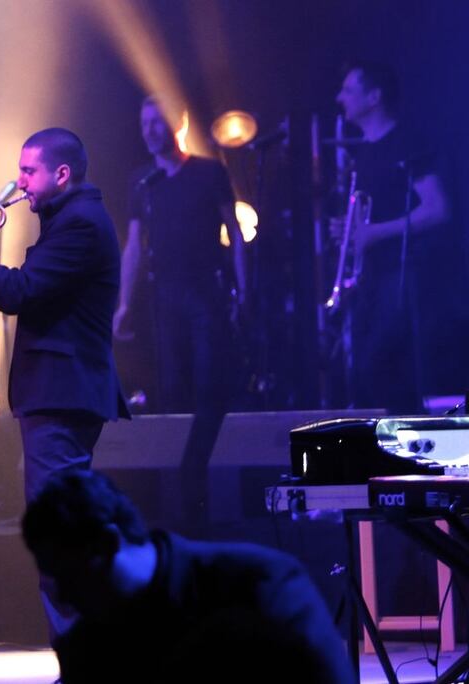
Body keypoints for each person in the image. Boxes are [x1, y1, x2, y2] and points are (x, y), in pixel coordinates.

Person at [0, 128, 129, 638]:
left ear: (62, 174)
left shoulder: (79, 224)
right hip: (57, 393)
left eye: (29, 171)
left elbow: (19, 292)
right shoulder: (69, 220)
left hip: (63, 394)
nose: (19, 183)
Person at [22, 469, 355, 684]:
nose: (64, 598)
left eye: (70, 575)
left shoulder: (261, 586)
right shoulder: (85, 649)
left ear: (108, 543)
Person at [113, 96, 246, 531]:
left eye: (158, 122)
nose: (151, 129)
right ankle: (179, 501)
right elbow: (135, 245)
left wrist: (245, 290)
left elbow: (235, 233)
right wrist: (125, 303)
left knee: (209, 387)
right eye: (144, 122)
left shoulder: (208, 172)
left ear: (179, 124)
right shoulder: (143, 182)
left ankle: (206, 490)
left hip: (206, 292)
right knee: (172, 390)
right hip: (164, 299)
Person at [334, 60, 450, 412]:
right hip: (373, 278)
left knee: (382, 369)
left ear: (374, 97)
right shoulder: (365, 151)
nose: (340, 98)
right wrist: (351, 231)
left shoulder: (404, 143)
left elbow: (436, 209)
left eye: (349, 90)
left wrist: (373, 232)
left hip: (401, 278)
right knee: (367, 376)